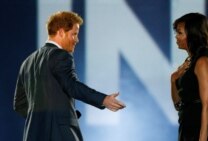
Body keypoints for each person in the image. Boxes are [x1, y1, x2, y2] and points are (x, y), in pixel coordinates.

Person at [13, 11, 126, 141]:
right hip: (61, 133)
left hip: (33, 134)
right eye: (74, 34)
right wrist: (103, 99)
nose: (77, 40)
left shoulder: (27, 62)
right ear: (61, 32)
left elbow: (19, 104)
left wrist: (42, 119)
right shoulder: (60, 55)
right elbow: (71, 85)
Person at [170, 12, 208, 141]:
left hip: (205, 127)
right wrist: (173, 79)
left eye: (180, 33)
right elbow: (178, 104)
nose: (176, 37)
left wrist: (203, 137)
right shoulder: (189, 62)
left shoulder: (203, 62)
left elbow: (207, 105)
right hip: (189, 125)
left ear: (192, 35)